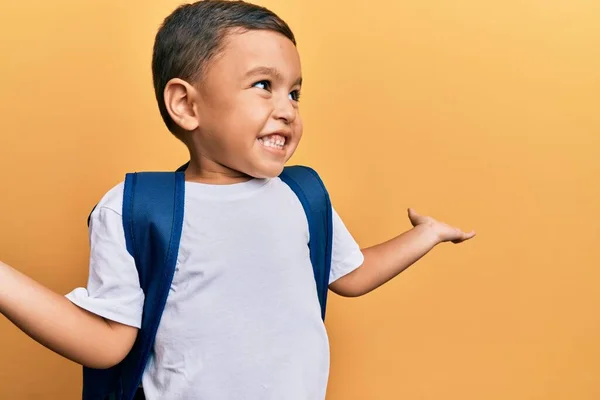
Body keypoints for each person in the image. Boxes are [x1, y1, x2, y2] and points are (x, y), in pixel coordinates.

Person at [0, 1, 475, 399]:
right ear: (187, 105)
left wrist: (425, 235)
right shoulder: (134, 207)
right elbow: (107, 343)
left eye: (295, 92)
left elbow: (350, 274)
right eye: (263, 85)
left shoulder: (301, 193)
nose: (287, 108)